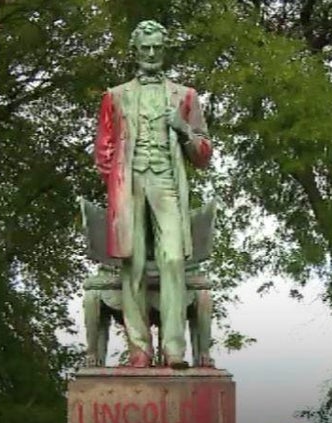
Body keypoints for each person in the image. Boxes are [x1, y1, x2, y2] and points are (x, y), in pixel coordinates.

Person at [94, 20, 212, 369]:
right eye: (144, 48)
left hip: (167, 183)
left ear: (163, 50)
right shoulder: (115, 96)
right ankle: (139, 350)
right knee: (132, 264)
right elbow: (103, 150)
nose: (150, 54)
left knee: (174, 259)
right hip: (128, 184)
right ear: (135, 51)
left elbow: (204, 154)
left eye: (156, 48)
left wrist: (184, 130)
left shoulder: (185, 96)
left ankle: (174, 350)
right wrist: (116, 182)